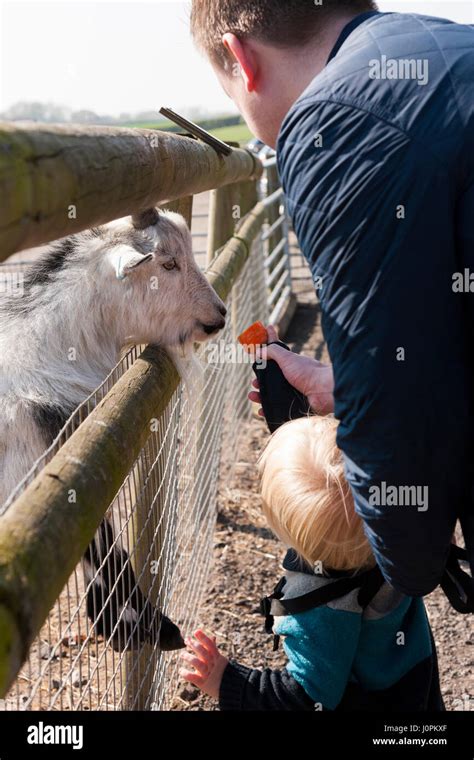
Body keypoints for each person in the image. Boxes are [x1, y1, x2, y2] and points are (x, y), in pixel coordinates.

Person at [190, 0, 474, 597]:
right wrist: (341, 383)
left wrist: (410, 559)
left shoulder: (333, 124)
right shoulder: (445, 48)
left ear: (242, 61)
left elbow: (391, 405)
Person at [179, 415, 444, 710]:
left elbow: (305, 698)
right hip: (410, 682)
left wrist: (227, 680)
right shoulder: (394, 536)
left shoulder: (324, 603)